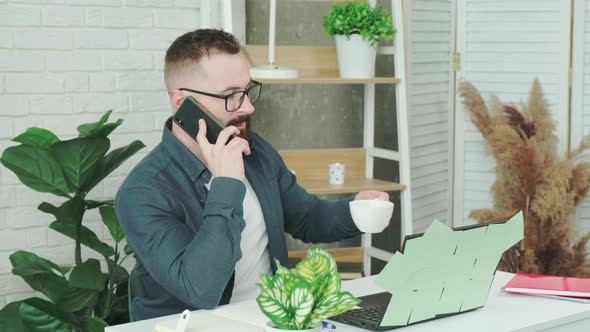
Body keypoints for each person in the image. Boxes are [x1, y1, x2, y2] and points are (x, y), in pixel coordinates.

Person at [115, 29, 390, 321]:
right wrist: (226, 184)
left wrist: (356, 210)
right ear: (182, 103)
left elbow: (306, 217)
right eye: (230, 95)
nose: (248, 106)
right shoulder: (142, 192)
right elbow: (200, 288)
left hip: (269, 319)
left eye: (247, 90)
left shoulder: (255, 151)